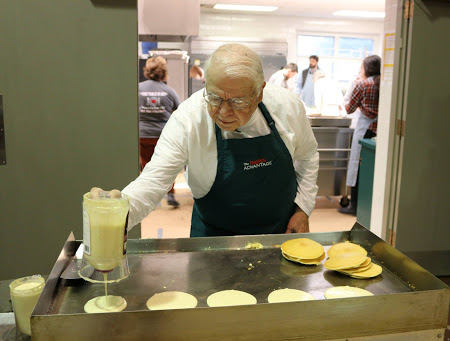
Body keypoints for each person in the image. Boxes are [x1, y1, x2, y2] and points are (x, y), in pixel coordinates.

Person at [122, 44, 319, 237]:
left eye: (238, 101)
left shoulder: (287, 107)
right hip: (213, 235)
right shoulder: (188, 119)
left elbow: (308, 156)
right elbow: (153, 181)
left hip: (279, 231)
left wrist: (303, 208)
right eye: (215, 98)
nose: (224, 112)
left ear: (259, 92)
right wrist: (115, 215)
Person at [339, 55, 381, 215]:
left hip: (365, 129)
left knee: (357, 165)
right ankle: (368, 204)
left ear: (365, 68)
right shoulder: (384, 84)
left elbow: (349, 108)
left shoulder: (362, 85)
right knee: (372, 167)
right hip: (379, 130)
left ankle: (354, 205)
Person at [139, 56, 182, 207]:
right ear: (163, 72)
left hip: (142, 135)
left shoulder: (138, 88)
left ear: (147, 71)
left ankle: (148, 198)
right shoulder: (169, 91)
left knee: (147, 166)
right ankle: (170, 195)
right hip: (163, 135)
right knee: (167, 165)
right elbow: (180, 111)